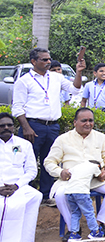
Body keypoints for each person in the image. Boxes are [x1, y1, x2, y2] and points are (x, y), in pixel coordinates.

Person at [12, 48, 85, 205]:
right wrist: (26, 128)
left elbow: (75, 88)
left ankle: (46, 195)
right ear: (34, 61)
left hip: (52, 126)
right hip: (33, 125)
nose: (48, 62)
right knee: (27, 161)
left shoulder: (56, 77)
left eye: (49, 59)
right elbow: (17, 107)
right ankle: (26, 195)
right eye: (44, 59)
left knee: (49, 161)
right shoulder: (24, 81)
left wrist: (78, 72)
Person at [45, 107, 105, 238]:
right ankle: (73, 229)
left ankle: (100, 224)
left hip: (96, 179)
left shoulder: (101, 137)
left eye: (91, 120)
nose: (88, 123)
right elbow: (49, 162)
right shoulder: (63, 139)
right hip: (72, 180)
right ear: (75, 122)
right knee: (60, 195)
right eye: (84, 120)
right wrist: (60, 172)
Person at [0, 112, 43, 242]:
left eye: (9, 125)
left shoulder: (24, 144)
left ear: (14, 127)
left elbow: (31, 171)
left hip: (18, 186)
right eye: (2, 125)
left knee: (35, 196)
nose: (6, 128)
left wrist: (16, 186)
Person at [63, 160, 102, 240]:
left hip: (69, 192)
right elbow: (100, 176)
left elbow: (68, 172)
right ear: (98, 166)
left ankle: (74, 234)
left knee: (75, 213)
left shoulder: (78, 165)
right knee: (89, 212)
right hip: (81, 191)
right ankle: (95, 231)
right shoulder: (95, 167)